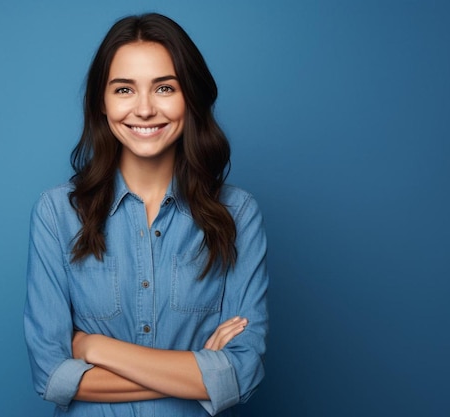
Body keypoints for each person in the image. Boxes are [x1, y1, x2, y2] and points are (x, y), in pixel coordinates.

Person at [24, 13, 268, 417]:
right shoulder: (57, 213)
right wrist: (195, 370)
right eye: (124, 89)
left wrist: (93, 347)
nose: (144, 109)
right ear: (101, 103)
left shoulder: (238, 215)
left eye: (165, 88)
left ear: (190, 97)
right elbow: (52, 375)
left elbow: (240, 375)